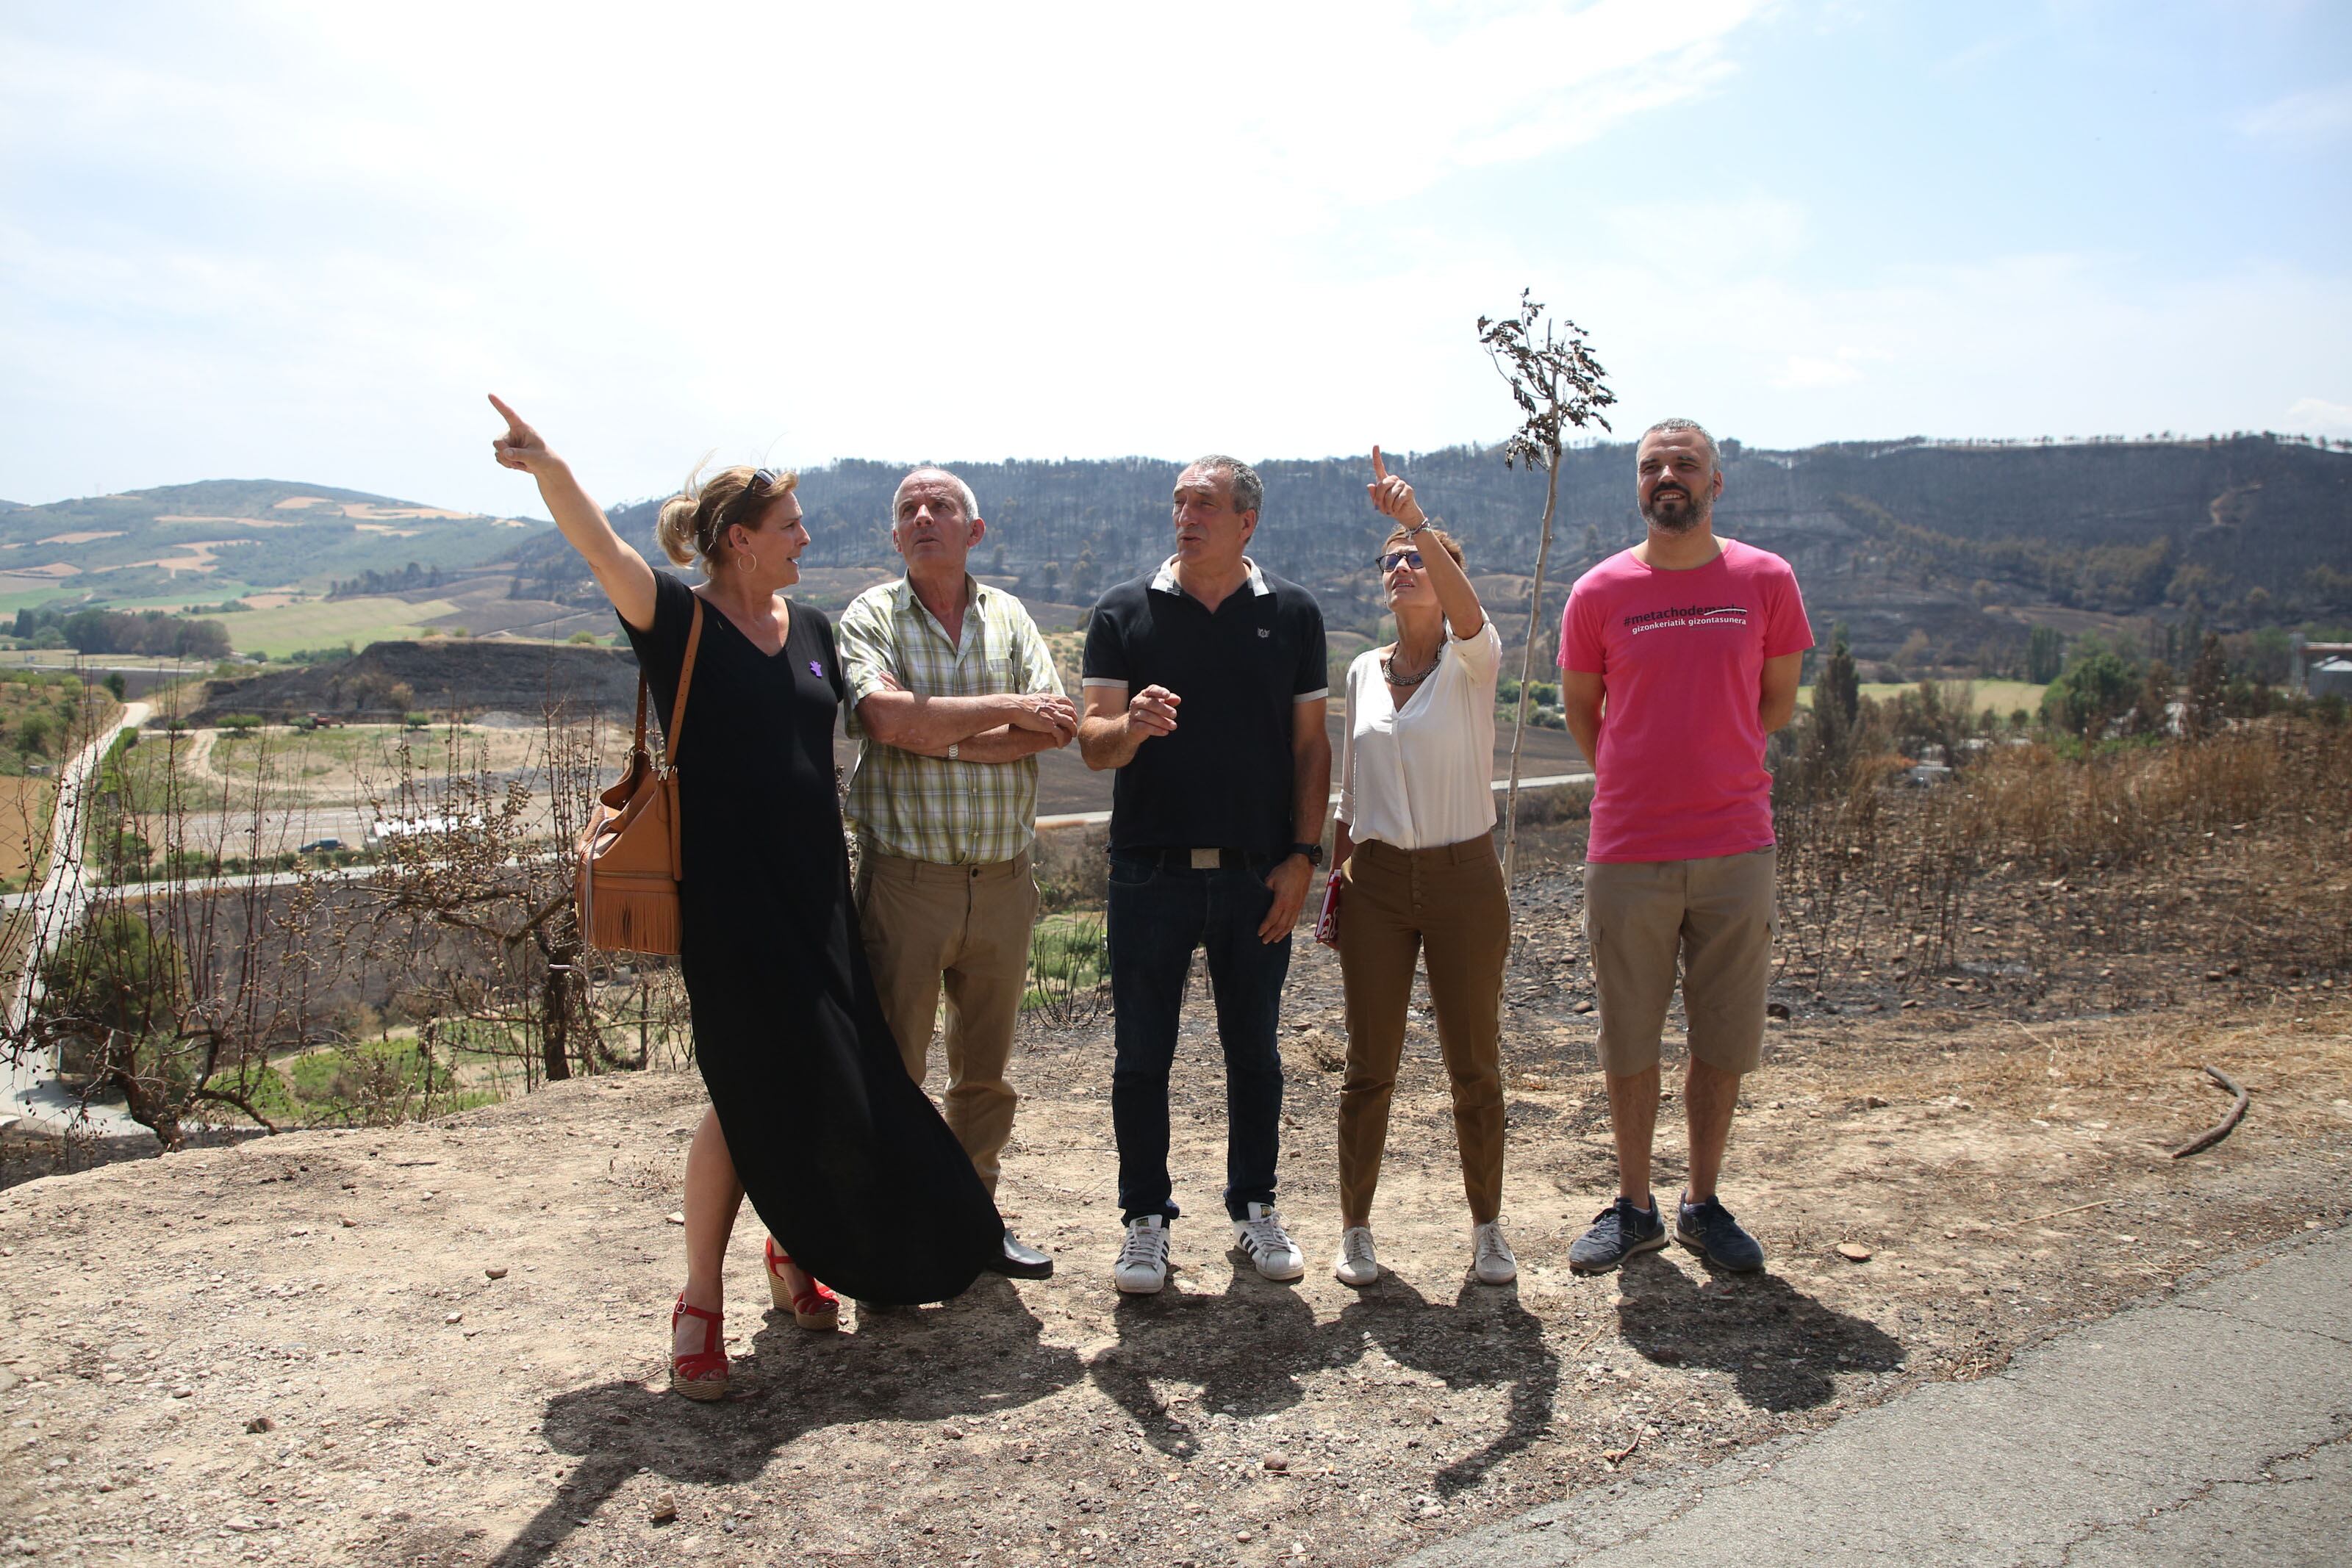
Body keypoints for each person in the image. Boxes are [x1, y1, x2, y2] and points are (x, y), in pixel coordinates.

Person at [486, 397, 1005, 1400]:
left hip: (820, 898)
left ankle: (790, 1256)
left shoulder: (809, 628)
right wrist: (552, 470)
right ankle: (697, 1305)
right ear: (738, 541)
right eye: (791, 526)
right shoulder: (675, 621)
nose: (808, 536)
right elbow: (600, 547)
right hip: (730, 907)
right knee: (746, 1091)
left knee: (827, 1083)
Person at [1558, 417, 1813, 1276]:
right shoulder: (1596, 592)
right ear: (1637, 485)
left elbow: (1774, 704)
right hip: (1627, 847)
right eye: (1651, 466)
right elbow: (1584, 716)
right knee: (1627, 1034)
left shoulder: (1766, 580)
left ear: (1714, 483)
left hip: (1736, 845)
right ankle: (1633, 1208)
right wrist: (1640, 778)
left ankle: (1701, 1203)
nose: (1667, 475)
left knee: (1722, 1033)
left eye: (1684, 463)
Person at [1078, 455, 1330, 1294]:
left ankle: (1255, 1209)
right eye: (1179, 502)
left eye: (1206, 504)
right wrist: (1134, 728)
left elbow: (1309, 748)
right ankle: (1144, 1222)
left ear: (1246, 522)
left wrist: (1303, 857)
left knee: (1253, 1053)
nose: (1186, 516)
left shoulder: (1293, 613)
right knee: (1139, 1056)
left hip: (1259, 876)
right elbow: (1091, 743)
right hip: (1149, 875)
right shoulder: (1123, 611)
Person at [834, 466, 1076, 1281]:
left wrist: (943, 733)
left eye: (941, 507)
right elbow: (885, 718)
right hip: (906, 882)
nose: (924, 516)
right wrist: (998, 708)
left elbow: (1054, 725)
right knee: (895, 1068)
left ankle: (973, 1220)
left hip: (1003, 881)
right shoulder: (871, 613)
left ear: (974, 531)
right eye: (909, 510)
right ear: (895, 536)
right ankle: (898, 1226)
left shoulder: (1007, 614)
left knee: (984, 1073)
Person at [1327, 447, 1516, 1289]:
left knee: (1472, 1062)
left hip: (1462, 880)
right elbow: (1349, 784)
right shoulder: (1363, 669)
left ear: (1445, 579)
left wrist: (1415, 521)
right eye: (1392, 561)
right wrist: (1337, 876)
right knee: (1369, 1063)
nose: (1401, 567)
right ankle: (1355, 1228)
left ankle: (1486, 1228)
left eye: (1417, 560)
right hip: (1374, 883)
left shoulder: (1473, 661)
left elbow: (1471, 613)